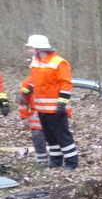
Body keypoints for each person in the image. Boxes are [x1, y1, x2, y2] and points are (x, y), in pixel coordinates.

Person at [21, 35, 78, 169]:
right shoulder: (36, 62)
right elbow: (36, 81)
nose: (30, 50)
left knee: (62, 136)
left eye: (31, 48)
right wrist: (27, 90)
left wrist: (62, 103)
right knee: (50, 137)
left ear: (39, 48)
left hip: (55, 108)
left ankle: (72, 162)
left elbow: (66, 83)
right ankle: (56, 161)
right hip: (41, 108)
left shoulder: (59, 62)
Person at [18, 75, 49, 166]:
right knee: (38, 136)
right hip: (36, 114)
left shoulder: (55, 80)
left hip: (54, 114)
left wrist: (66, 114)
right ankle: (41, 160)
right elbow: (22, 101)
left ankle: (57, 160)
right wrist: (24, 116)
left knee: (56, 138)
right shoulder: (29, 82)